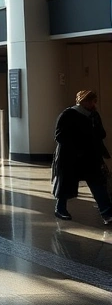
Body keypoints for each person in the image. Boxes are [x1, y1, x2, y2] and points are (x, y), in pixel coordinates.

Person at [52, 90, 112, 224]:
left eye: (94, 101)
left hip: (90, 156)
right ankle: (60, 208)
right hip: (71, 156)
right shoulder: (68, 114)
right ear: (83, 101)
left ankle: (107, 213)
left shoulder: (93, 115)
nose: (93, 104)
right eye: (91, 101)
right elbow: (59, 136)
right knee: (66, 183)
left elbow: (101, 133)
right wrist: (77, 144)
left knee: (97, 183)